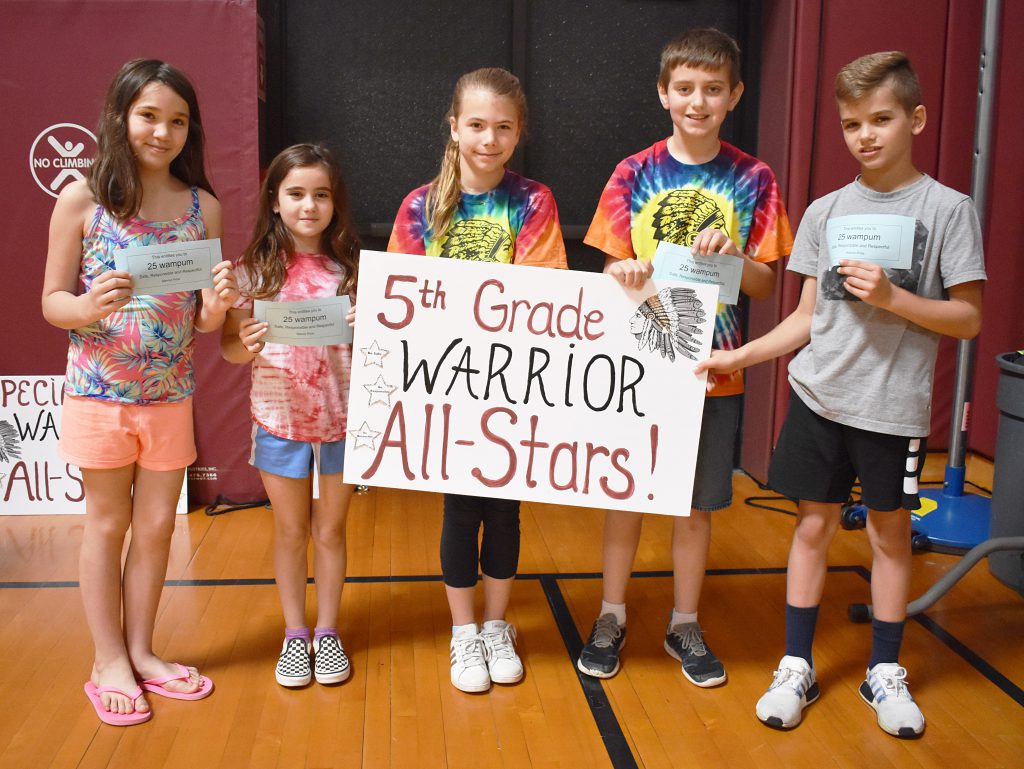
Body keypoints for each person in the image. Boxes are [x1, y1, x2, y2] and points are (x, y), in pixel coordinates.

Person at [695, 51, 986, 737]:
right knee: (813, 527)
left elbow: (970, 318)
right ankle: (795, 662)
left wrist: (895, 297)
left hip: (891, 410)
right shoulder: (825, 211)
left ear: (913, 119)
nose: (866, 135)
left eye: (881, 119)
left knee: (889, 535)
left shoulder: (950, 209)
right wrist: (738, 354)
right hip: (819, 398)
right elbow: (804, 318)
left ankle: (885, 669)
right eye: (852, 123)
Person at [577, 28, 792, 687]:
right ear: (665, 94)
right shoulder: (632, 173)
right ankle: (611, 612)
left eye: (713, 89)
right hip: (640, 365)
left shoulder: (755, 178)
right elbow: (612, 263)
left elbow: (765, 284)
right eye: (686, 89)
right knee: (627, 497)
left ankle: (684, 619)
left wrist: (735, 258)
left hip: (714, 370)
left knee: (695, 506)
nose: (698, 101)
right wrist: (628, 270)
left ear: (735, 95)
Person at [42, 59, 236, 726]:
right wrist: (90, 304)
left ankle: (142, 649)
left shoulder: (201, 206)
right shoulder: (82, 199)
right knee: (107, 523)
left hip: (170, 395)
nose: (163, 131)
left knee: (155, 527)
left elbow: (205, 321)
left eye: (178, 120)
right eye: (150, 115)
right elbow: (51, 303)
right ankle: (107, 659)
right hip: (99, 393)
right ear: (120, 117)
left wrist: (217, 303)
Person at [388, 67, 568, 693]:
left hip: (512, 385)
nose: (488, 140)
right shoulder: (419, 205)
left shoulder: (533, 201)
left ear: (519, 133)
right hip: (446, 385)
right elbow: (403, 297)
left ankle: (498, 626)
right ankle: (464, 634)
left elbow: (543, 293)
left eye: (502, 128)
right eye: (476, 126)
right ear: (454, 126)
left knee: (506, 510)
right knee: (460, 511)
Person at [221, 143, 360, 688]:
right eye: (296, 194)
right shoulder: (252, 271)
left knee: (331, 531)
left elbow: (381, 346)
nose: (309, 206)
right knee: (290, 531)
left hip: (341, 422)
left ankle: (328, 633)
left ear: (334, 203)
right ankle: (295, 634)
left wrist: (369, 322)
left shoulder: (353, 269)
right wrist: (246, 341)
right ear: (275, 201)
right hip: (279, 421)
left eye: (321, 195)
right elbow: (232, 347)